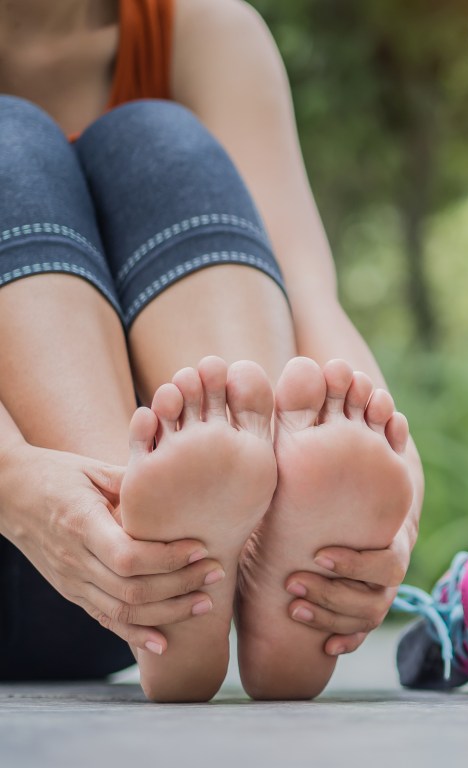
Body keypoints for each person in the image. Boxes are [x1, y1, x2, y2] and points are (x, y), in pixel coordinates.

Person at [0, 0, 423, 702]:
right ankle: (138, 539)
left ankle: (250, 553)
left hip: (155, 590)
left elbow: (309, 295)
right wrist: (17, 484)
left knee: (154, 137)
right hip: (31, 540)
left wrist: (393, 515)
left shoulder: (205, 31)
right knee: (8, 140)